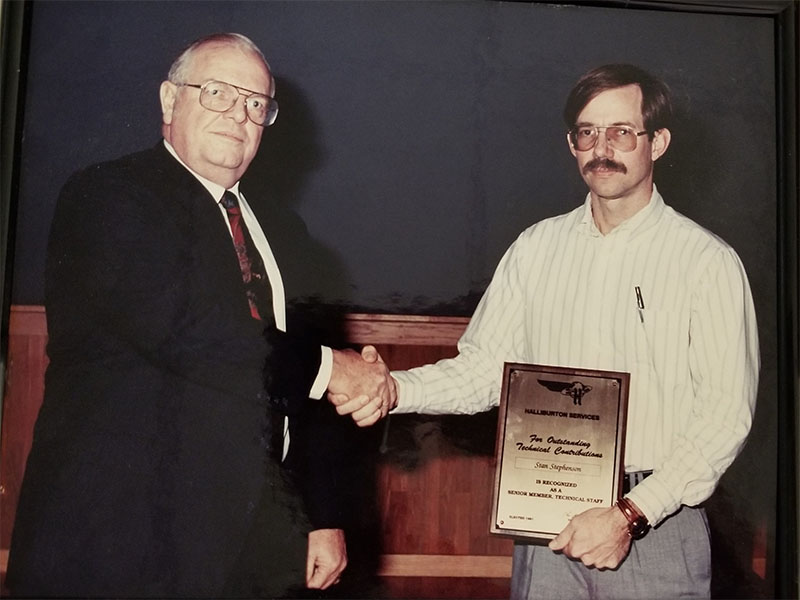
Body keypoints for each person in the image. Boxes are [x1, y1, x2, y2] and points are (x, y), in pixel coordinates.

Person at [335, 63, 760, 599]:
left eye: (622, 132)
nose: (602, 148)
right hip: (548, 528)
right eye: (588, 133)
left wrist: (631, 514)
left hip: (654, 525)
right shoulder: (536, 249)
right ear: (572, 144)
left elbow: (724, 419)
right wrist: (395, 388)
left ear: (659, 142)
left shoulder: (707, 263)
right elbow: (485, 371)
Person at [6, 32, 395, 598]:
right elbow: (189, 329)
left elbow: (309, 392)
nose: (239, 114)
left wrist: (323, 514)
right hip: (123, 538)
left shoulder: (285, 231)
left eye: (255, 103)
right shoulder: (108, 197)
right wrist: (334, 369)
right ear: (169, 101)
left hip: (256, 540)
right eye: (217, 93)